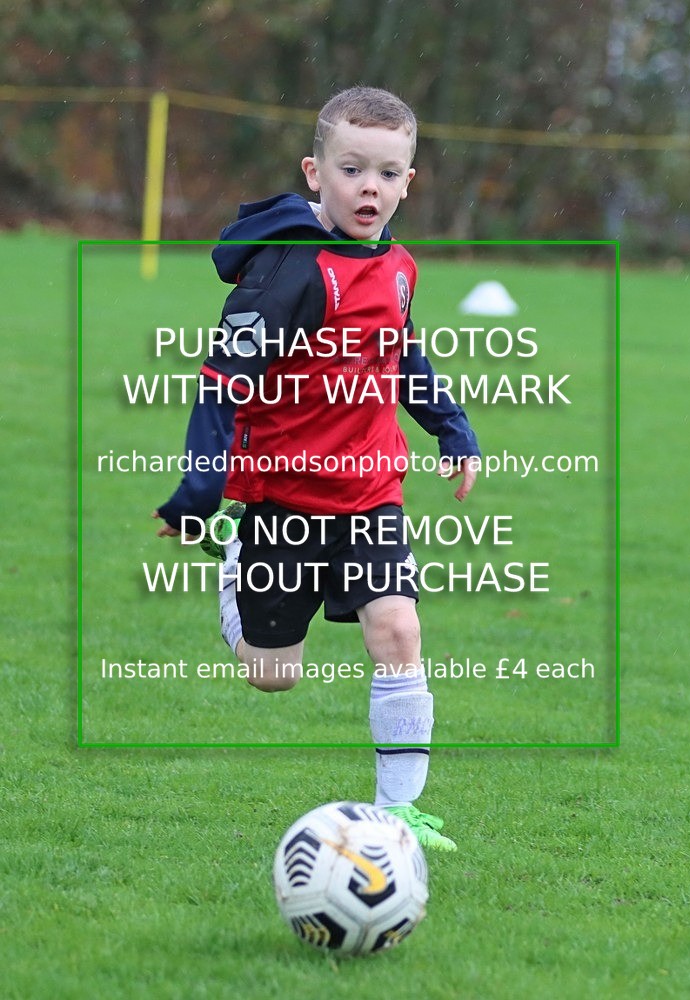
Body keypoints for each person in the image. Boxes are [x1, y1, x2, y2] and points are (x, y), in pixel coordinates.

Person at [153, 86, 480, 851]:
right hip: (279, 500)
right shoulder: (293, 271)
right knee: (274, 676)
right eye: (352, 169)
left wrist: (452, 429)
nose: (371, 188)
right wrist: (203, 489)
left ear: (409, 181)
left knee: (398, 628)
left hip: (369, 492)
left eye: (388, 174)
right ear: (315, 171)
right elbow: (225, 380)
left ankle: (399, 815)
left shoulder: (398, 265)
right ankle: (234, 558)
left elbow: (401, 357)